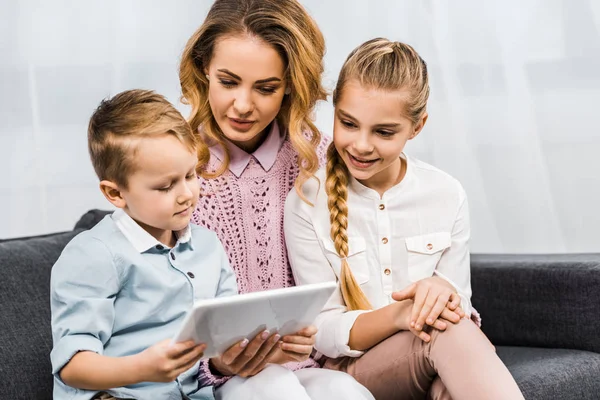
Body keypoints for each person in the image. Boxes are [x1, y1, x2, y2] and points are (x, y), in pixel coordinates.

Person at [284, 38, 525, 400]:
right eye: (348, 123)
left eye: (383, 132)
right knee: (448, 332)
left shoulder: (446, 193)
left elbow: (459, 304)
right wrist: (402, 314)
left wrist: (442, 302)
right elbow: (323, 330)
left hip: (434, 350)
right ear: (333, 111)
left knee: (449, 357)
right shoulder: (306, 201)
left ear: (417, 126)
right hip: (351, 372)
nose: (361, 145)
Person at [179, 1, 374, 399]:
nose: (243, 105)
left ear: (290, 87)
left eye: (266, 88)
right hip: (217, 382)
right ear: (203, 69)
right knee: (275, 388)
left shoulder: (320, 160)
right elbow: (146, 304)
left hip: (308, 366)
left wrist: (318, 335)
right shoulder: (173, 167)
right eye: (228, 82)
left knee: (347, 392)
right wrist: (216, 363)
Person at [50, 89, 236, 400]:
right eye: (165, 186)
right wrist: (142, 369)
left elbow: (225, 332)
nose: (186, 194)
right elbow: (72, 365)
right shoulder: (93, 254)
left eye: (191, 175)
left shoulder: (208, 246)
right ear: (115, 194)